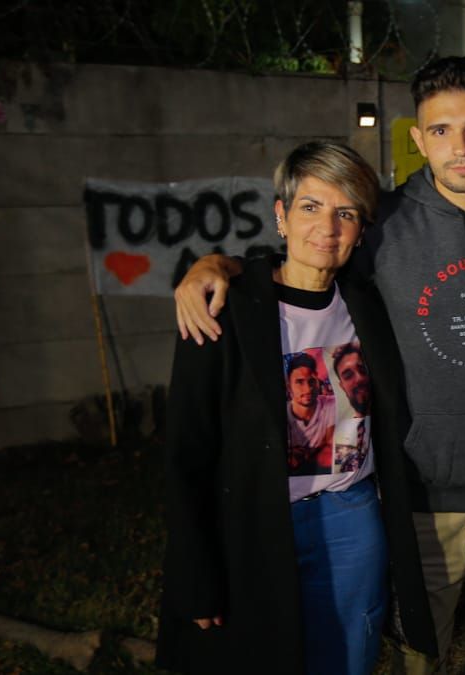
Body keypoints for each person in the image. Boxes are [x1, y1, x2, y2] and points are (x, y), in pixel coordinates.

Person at [173, 57, 465, 674]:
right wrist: (215, 265)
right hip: (415, 496)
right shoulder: (386, 228)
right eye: (440, 130)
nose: (460, 147)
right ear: (417, 139)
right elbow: (302, 258)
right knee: (413, 655)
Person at [156, 141, 435, 674]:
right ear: (280, 215)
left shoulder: (369, 307)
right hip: (256, 523)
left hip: (351, 520)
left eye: (345, 213)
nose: (326, 227)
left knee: (347, 658)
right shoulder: (224, 310)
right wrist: (195, 573)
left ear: (360, 229)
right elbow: (187, 454)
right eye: (310, 207)